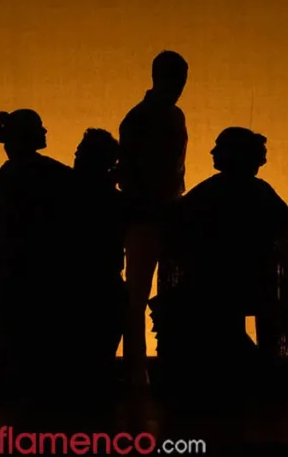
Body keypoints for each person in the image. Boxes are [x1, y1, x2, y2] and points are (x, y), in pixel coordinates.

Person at [149, 127, 288, 398]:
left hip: (221, 284)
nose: (212, 151)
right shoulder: (261, 191)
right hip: (252, 282)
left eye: (219, 147)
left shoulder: (214, 190)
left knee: (174, 307)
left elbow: (176, 220)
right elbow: (284, 227)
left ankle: (198, 375)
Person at [0, 109, 73, 391]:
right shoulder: (45, 171)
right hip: (32, 264)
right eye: (39, 127)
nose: (45, 131)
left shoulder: (14, 172)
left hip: (17, 263)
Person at [117, 50, 189, 389]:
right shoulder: (139, 119)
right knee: (137, 295)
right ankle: (136, 370)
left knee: (168, 292)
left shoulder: (171, 116)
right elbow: (132, 173)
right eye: (176, 79)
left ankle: (163, 364)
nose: (180, 87)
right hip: (145, 217)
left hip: (169, 215)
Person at [67, 128, 126, 391]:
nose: (76, 155)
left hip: (80, 280)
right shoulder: (115, 199)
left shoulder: (66, 190)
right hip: (100, 280)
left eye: (82, 152)